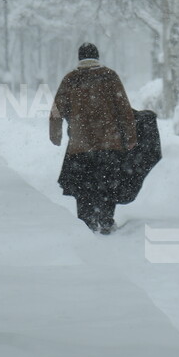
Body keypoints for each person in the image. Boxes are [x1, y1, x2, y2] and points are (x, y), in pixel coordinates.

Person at [50, 44, 137, 234]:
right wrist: (130, 137)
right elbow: (124, 108)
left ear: (79, 57)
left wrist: (55, 134)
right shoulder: (109, 77)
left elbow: (57, 110)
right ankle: (106, 220)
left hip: (80, 146)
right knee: (107, 184)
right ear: (97, 56)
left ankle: (86, 222)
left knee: (83, 186)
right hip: (109, 144)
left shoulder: (71, 79)